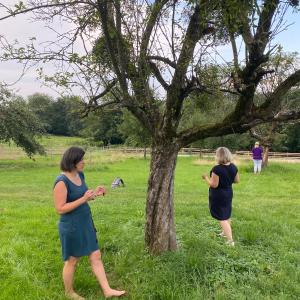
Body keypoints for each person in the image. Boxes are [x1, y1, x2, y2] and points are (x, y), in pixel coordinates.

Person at [53, 147, 125, 300]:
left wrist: (94, 195)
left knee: (96, 255)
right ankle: (69, 292)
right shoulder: (61, 181)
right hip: (71, 225)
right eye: (81, 160)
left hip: (85, 222)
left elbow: (82, 197)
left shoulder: (80, 175)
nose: (84, 162)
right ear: (72, 161)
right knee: (72, 260)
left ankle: (107, 290)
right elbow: (60, 208)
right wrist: (84, 199)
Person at [202, 147, 240, 246]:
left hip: (218, 195)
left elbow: (214, 184)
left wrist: (206, 178)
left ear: (218, 156)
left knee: (222, 217)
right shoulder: (233, 167)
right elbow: (237, 181)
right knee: (226, 213)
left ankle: (230, 240)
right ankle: (224, 232)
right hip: (228, 192)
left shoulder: (217, 169)